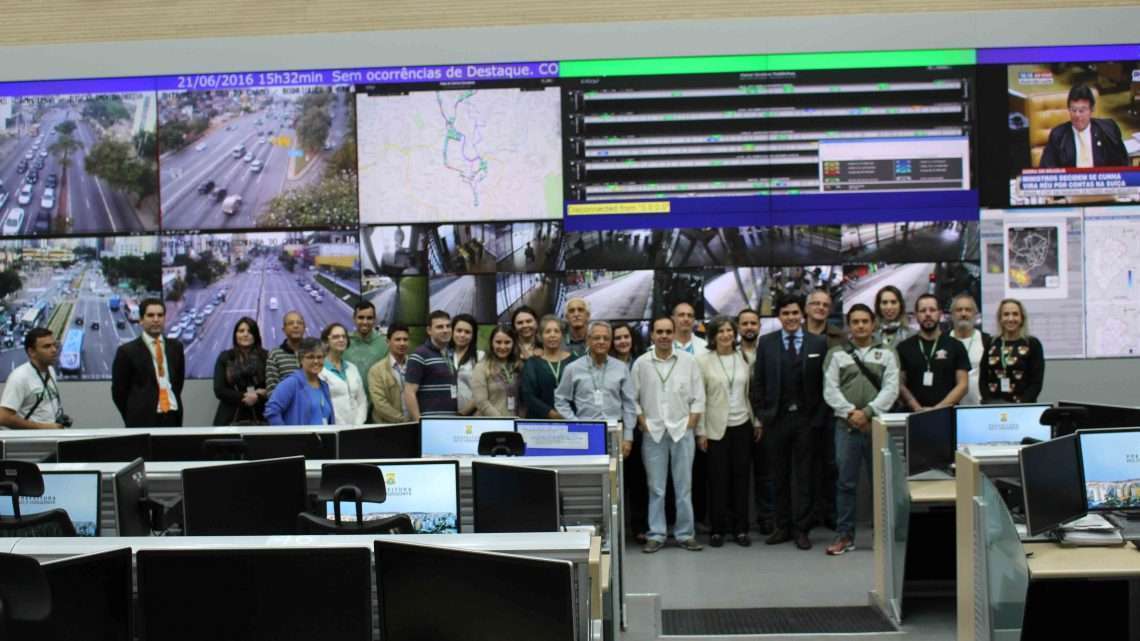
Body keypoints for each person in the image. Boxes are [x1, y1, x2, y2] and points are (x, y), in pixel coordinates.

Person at [750, 294, 829, 550]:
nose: (791, 318)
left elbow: (826, 384)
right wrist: (762, 414)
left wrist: (817, 418)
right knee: (778, 476)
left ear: (802, 314)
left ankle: (802, 529)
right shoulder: (767, 343)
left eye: (795, 313)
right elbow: (758, 382)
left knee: (804, 477)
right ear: (779, 317)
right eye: (786, 314)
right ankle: (781, 526)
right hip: (776, 420)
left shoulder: (818, 343)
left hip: (806, 421)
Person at [822, 304, 900, 556]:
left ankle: (884, 536)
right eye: (855, 322)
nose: (860, 326)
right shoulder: (836, 354)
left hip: (876, 425)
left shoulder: (887, 353)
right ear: (849, 325)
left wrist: (867, 413)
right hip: (846, 427)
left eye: (865, 321)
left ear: (873, 324)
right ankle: (844, 536)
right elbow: (830, 389)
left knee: (882, 482)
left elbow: (891, 389)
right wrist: (850, 413)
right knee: (845, 483)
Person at [630, 316, 705, 553]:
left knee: (684, 486)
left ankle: (685, 534)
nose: (663, 336)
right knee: (656, 487)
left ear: (673, 334)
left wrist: (691, 422)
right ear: (651, 335)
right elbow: (632, 398)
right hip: (653, 432)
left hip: (682, 430)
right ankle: (657, 533)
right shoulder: (641, 363)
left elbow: (699, 395)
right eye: (659, 331)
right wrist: (642, 422)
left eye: (667, 331)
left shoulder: (688, 361)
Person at [696, 316, 757, 548]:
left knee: (741, 480)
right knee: (718, 481)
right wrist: (700, 431)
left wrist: (757, 422)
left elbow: (751, 392)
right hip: (714, 428)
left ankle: (741, 529)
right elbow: (699, 398)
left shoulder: (744, 358)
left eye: (729, 330)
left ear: (735, 333)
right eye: (720, 331)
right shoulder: (703, 361)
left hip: (742, 424)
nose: (725, 335)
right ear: (713, 336)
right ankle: (718, 529)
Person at [555, 320, 638, 435]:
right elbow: (560, 400)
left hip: (614, 429)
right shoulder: (573, 368)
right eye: (597, 338)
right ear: (588, 340)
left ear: (610, 341)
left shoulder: (621, 368)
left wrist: (628, 435)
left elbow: (629, 403)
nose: (601, 342)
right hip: (584, 429)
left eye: (606, 338)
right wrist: (574, 423)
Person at [112, 299, 185, 428]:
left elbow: (178, 384)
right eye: (150, 315)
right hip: (142, 421)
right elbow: (119, 392)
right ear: (141, 320)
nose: (156, 319)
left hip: (172, 416)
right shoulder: (127, 351)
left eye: (160, 315)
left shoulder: (176, 348)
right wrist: (132, 414)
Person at [896, 294, 970, 412]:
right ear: (916, 315)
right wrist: (917, 408)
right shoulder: (904, 348)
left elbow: (963, 385)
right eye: (923, 311)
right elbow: (899, 384)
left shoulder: (956, 346)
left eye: (932, 310)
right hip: (913, 414)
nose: (928, 314)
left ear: (940, 314)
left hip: (947, 414)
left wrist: (937, 409)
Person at [611, 321, 650, 542]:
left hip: (639, 427)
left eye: (626, 337)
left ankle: (639, 527)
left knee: (638, 480)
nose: (623, 341)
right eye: (618, 338)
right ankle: (614, 529)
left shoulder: (642, 362)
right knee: (616, 481)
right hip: (615, 426)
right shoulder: (607, 365)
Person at [1039, 84, 1128, 169]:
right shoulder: (1058, 136)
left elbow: (1122, 165)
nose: (1077, 115)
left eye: (1082, 110)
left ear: (1091, 109)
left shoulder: (1108, 130)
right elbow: (1047, 171)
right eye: (1073, 110)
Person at [979, 298, 1046, 403]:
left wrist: (1021, 405)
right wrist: (989, 402)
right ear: (1000, 318)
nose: (1010, 319)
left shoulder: (1032, 344)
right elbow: (983, 378)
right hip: (993, 406)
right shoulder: (991, 343)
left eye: (1015, 314)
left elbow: (1036, 383)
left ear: (1022, 318)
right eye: (1006, 314)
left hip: (1023, 407)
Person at [0, 328, 67, 429]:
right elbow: (3, 417)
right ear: (31, 352)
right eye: (47, 346)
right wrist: (44, 427)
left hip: (50, 439)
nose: (54, 350)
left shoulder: (50, 371)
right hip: (31, 442)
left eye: (55, 345)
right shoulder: (19, 377)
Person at [265, 337, 335, 426]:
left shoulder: (324, 386)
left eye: (320, 357)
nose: (316, 361)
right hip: (298, 440)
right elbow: (272, 412)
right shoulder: (291, 383)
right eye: (310, 357)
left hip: (324, 439)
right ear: (301, 359)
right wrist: (286, 436)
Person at [212, 317, 268, 426]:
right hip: (230, 416)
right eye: (241, 331)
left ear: (256, 335)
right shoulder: (225, 357)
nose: (245, 334)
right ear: (235, 335)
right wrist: (247, 396)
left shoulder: (266, 356)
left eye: (250, 331)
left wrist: (259, 397)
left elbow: (272, 387)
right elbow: (219, 389)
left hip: (260, 415)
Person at [404, 310, 458, 420]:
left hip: (450, 421)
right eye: (440, 327)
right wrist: (418, 422)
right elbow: (409, 392)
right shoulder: (419, 355)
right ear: (429, 330)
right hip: (429, 424)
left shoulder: (449, 354)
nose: (445, 330)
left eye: (448, 326)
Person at [521, 315, 577, 420]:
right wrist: (551, 413)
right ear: (540, 336)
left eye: (556, 331)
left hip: (570, 420)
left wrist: (567, 414)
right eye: (547, 332)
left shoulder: (575, 361)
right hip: (539, 422)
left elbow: (581, 392)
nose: (552, 335)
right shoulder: (532, 363)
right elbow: (528, 395)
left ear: (562, 335)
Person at [319, 323, 368, 426]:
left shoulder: (352, 368)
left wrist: (358, 423)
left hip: (356, 429)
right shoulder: (320, 370)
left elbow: (362, 400)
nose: (341, 340)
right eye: (336, 337)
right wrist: (340, 426)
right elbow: (321, 405)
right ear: (326, 341)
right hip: (332, 429)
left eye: (344, 336)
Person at [471, 325, 524, 417]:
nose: (502, 346)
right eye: (498, 342)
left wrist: (520, 419)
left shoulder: (519, 366)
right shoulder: (481, 367)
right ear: (492, 343)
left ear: (513, 343)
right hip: (490, 424)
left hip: (516, 423)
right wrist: (501, 421)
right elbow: (481, 402)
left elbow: (524, 399)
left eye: (507, 342)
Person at [948, 294, 991, 405]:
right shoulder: (944, 342)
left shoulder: (987, 341)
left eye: (968, 310)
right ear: (952, 315)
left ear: (975, 315)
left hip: (980, 405)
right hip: (950, 407)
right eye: (959, 310)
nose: (963, 314)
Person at [342, 302, 388, 397]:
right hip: (349, 403)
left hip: (376, 405)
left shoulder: (384, 344)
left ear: (375, 320)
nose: (365, 322)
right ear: (354, 319)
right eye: (361, 317)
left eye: (369, 318)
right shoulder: (344, 342)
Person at [368, 324, 412, 423]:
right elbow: (380, 404)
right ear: (388, 341)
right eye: (398, 339)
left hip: (415, 423)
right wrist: (403, 420)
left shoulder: (416, 365)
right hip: (387, 427)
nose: (402, 343)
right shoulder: (376, 370)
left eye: (405, 339)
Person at [266, 311, 306, 395]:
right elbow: (272, 390)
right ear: (284, 329)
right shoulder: (275, 355)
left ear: (304, 328)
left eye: (299, 323)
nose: (296, 326)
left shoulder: (314, 352)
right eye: (291, 323)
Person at [450, 314, 482, 416]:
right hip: (444, 415)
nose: (462, 335)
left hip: (471, 415)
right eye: (459, 331)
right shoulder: (442, 355)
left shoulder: (480, 357)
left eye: (467, 332)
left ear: (473, 335)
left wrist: (463, 414)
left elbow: (482, 391)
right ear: (452, 331)